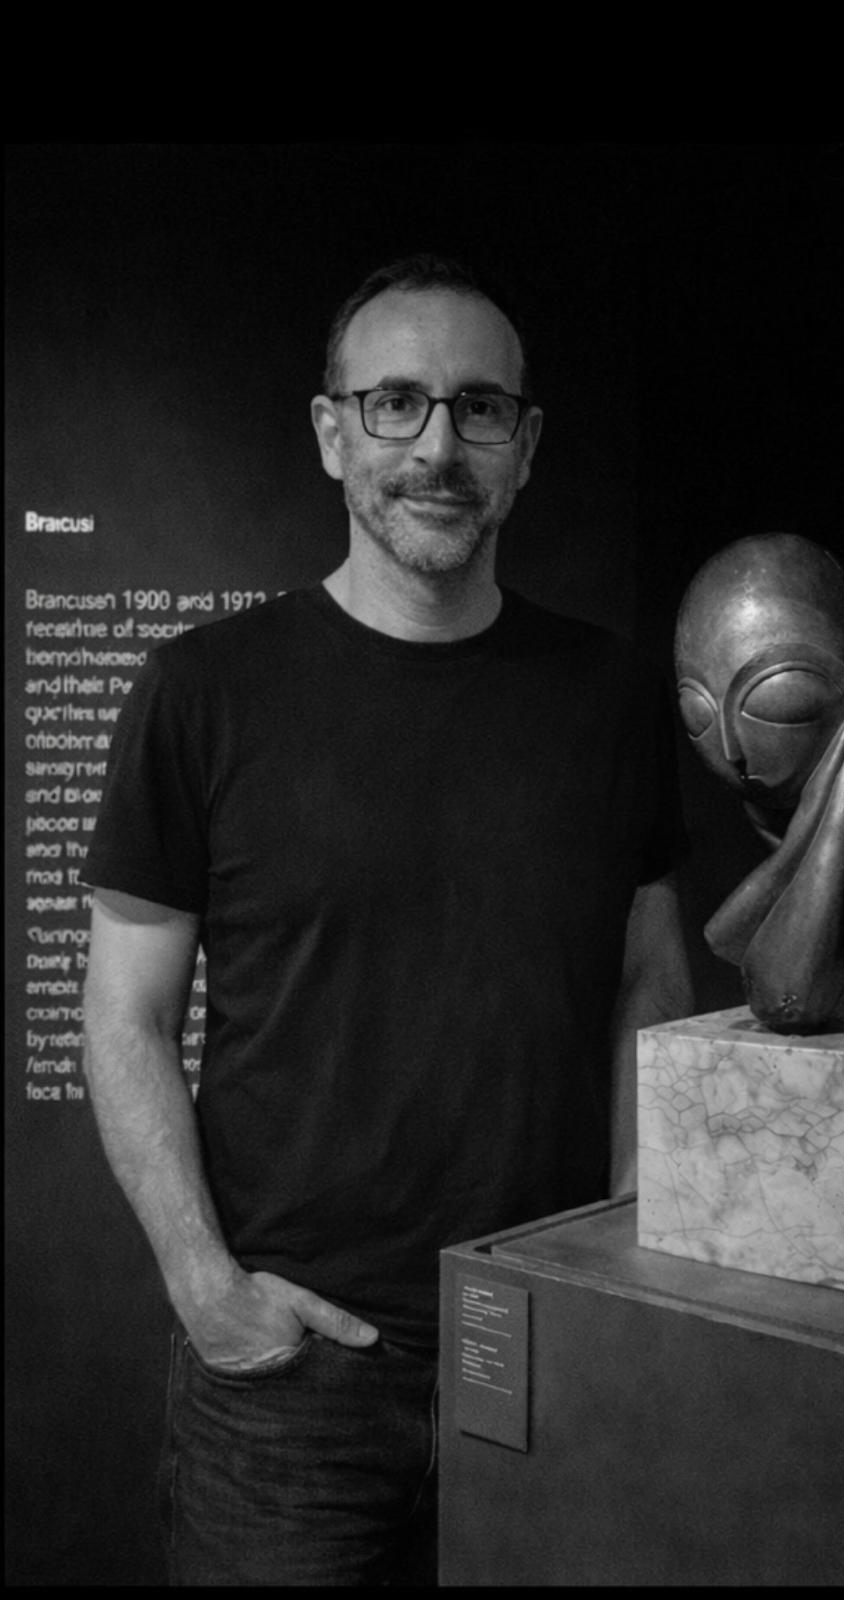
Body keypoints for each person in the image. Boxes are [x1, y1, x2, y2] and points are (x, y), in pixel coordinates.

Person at [81, 253, 694, 1587]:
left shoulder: (609, 698)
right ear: (331, 432)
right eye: (396, 403)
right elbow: (124, 1019)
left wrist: (631, 1249)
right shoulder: (202, 692)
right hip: (291, 1386)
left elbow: (649, 980)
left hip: (557, 1352)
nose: (438, 448)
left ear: (526, 445)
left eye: (480, 408)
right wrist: (206, 1288)